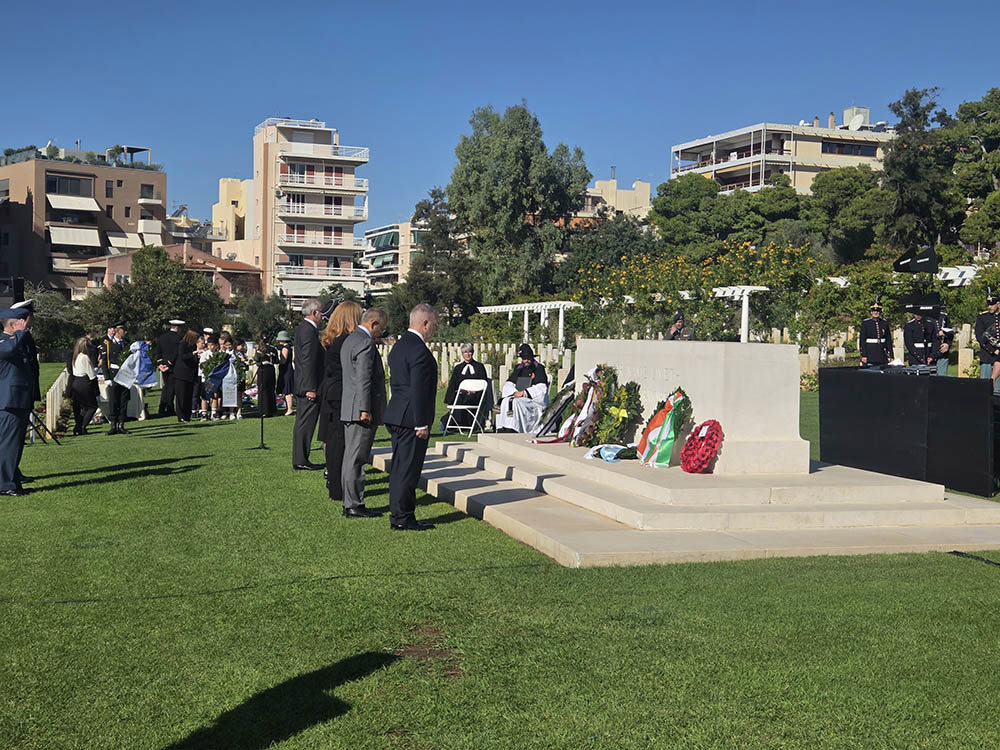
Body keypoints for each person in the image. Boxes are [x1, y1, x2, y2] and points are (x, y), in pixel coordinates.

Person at [383, 303, 439, 531]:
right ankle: (403, 517)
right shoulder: (419, 351)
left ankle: (400, 514)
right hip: (410, 419)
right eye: (434, 325)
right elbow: (417, 389)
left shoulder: (399, 346)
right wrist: (421, 423)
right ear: (425, 323)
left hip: (397, 413)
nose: (434, 330)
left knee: (399, 468)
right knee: (407, 470)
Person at [340, 306, 387, 518]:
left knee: (350, 456)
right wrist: (365, 409)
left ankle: (349, 501)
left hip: (348, 407)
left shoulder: (349, 340)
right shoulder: (366, 343)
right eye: (381, 328)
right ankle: (354, 504)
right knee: (357, 458)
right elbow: (363, 379)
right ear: (373, 323)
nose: (381, 333)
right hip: (360, 409)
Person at [318, 301, 362, 505]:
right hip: (341, 392)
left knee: (334, 441)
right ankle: (338, 486)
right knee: (339, 442)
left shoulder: (333, 339)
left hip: (331, 391)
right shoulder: (346, 341)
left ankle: (335, 483)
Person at [0, 307, 33, 496]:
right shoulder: (4, 341)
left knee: (15, 446)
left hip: (17, 401)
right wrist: (20, 333)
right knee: (8, 446)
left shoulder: (15, 342)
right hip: (8, 402)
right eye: (22, 324)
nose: (26, 328)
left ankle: (11, 481)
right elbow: (10, 350)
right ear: (13, 324)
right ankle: (5, 485)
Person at [292, 298, 325, 470]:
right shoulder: (308, 331)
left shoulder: (303, 329)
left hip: (305, 384)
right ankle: (301, 459)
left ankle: (301, 458)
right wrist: (310, 388)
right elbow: (308, 360)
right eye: (321, 313)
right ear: (314, 313)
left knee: (303, 423)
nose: (323, 316)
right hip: (308, 387)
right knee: (305, 424)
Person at [495, 344, 549, 434]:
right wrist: (515, 392)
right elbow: (509, 384)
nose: (526, 360)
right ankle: (504, 426)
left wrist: (524, 393)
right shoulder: (518, 368)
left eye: (528, 358)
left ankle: (513, 427)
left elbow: (542, 388)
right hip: (517, 396)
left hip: (532, 400)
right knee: (505, 401)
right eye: (524, 358)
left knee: (515, 403)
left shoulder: (538, 368)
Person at [441, 344, 492, 433]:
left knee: (467, 399)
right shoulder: (458, 368)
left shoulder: (479, 367)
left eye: (469, 352)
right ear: (462, 354)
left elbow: (483, 383)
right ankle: (454, 423)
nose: (467, 354)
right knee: (459, 400)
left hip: (475, 396)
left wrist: (474, 391)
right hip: (460, 395)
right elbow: (453, 384)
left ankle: (465, 424)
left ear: (472, 353)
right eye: (465, 352)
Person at [101, 323, 131, 434]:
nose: (126, 332)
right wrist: (107, 377)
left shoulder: (127, 343)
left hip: (125, 375)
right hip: (113, 374)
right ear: (118, 331)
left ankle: (122, 424)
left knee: (124, 400)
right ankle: (113, 425)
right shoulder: (108, 344)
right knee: (113, 401)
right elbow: (104, 362)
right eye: (124, 330)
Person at [68, 336, 98, 435]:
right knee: (92, 406)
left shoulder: (75, 357)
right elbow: (91, 375)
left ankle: (78, 426)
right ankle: (83, 426)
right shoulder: (84, 357)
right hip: (84, 382)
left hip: (76, 382)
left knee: (83, 407)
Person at [157, 319, 183, 417]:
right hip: (174, 366)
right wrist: (170, 363)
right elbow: (177, 352)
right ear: (177, 327)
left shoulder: (162, 337)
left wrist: (161, 364)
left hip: (163, 366)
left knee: (166, 387)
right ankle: (169, 408)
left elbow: (159, 351)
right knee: (172, 388)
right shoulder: (179, 338)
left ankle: (162, 407)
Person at [173, 328, 200, 422]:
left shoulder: (192, 346)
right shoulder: (182, 344)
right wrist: (193, 354)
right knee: (181, 396)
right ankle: (181, 416)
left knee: (189, 396)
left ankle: (187, 416)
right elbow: (182, 356)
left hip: (190, 374)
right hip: (181, 374)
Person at [974, 293, 1000, 389]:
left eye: (992, 304)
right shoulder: (982, 317)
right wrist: (993, 350)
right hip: (987, 356)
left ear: (998, 304)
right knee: (984, 387)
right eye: (988, 304)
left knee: (997, 389)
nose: (990, 307)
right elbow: (980, 337)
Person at [859, 301, 893, 367]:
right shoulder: (866, 323)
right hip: (870, 353)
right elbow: (862, 340)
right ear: (871, 312)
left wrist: (891, 355)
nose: (875, 313)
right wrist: (864, 355)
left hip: (882, 353)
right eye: (873, 311)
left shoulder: (884, 323)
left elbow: (888, 340)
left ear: (880, 312)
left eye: (877, 311)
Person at [254, 335, 279, 418]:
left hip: (262, 369)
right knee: (270, 389)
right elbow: (276, 360)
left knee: (262, 390)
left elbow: (256, 359)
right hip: (270, 370)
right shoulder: (273, 348)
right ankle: (271, 410)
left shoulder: (259, 349)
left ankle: (263, 410)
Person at [928, 308, 953, 377]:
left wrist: (948, 344)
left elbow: (950, 333)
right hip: (928, 353)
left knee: (942, 379)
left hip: (941, 352)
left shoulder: (944, 316)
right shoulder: (924, 317)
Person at [276, 330, 294, 416]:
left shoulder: (285, 348)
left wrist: (277, 361)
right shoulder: (289, 347)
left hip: (286, 370)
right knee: (287, 390)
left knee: (287, 390)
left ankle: (289, 409)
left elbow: (283, 360)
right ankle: (288, 408)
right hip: (288, 369)